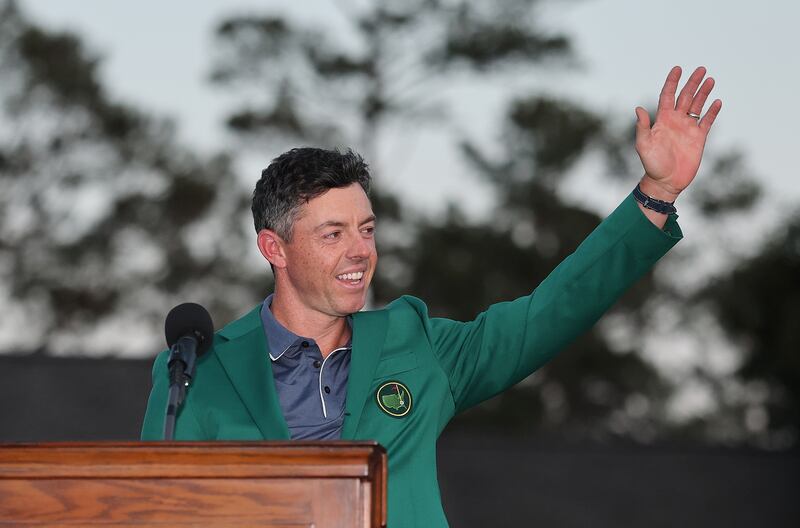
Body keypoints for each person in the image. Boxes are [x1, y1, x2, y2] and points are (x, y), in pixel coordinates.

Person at [142, 66, 722, 526]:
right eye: (333, 234)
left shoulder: (415, 343)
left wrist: (655, 194)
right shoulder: (198, 372)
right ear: (275, 248)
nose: (360, 251)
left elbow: (544, 317)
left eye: (366, 229)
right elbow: (155, 511)